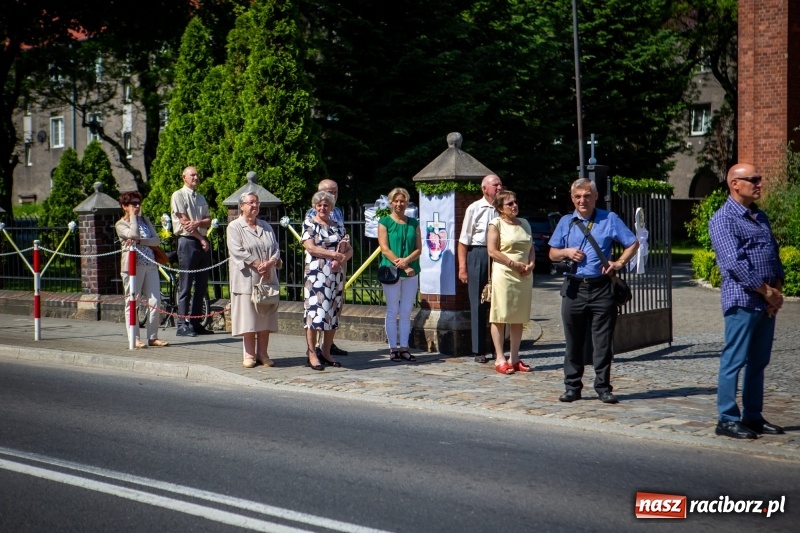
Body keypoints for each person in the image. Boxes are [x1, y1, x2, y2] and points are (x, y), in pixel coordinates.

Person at [708, 163, 785, 439]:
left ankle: (752, 416)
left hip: (766, 301)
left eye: (759, 179)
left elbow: (772, 255)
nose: (759, 183)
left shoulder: (759, 216)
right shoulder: (724, 218)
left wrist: (776, 288)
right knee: (735, 359)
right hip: (743, 300)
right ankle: (727, 418)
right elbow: (733, 264)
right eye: (752, 179)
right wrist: (766, 292)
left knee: (758, 362)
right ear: (735, 184)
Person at [548, 178, 638, 404]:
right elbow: (552, 254)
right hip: (573, 289)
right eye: (578, 197)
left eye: (587, 196)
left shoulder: (610, 219)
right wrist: (566, 252)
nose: (582, 200)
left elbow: (633, 243)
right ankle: (572, 387)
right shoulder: (566, 222)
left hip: (601, 288)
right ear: (572, 198)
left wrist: (618, 263)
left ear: (595, 196)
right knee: (573, 341)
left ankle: (603, 387)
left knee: (602, 342)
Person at [226, 193, 282, 368]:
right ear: (241, 206)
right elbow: (238, 251)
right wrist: (258, 264)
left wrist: (271, 262)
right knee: (248, 318)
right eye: (251, 203)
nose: (255, 205)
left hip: (267, 279)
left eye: (257, 202)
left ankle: (263, 354)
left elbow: (276, 248)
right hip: (246, 279)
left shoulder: (266, 226)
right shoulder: (234, 227)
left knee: (265, 317)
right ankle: (249, 355)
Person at [302, 190, 353, 370]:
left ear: (331, 207)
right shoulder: (310, 223)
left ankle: (326, 352)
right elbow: (311, 248)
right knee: (315, 315)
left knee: (332, 313)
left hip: (335, 275)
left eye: (326, 205)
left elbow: (349, 250)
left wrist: (342, 259)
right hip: (316, 275)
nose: (323, 207)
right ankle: (312, 354)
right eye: (319, 205)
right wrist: (333, 254)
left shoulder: (337, 225)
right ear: (315, 206)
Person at [486, 190, 535, 374]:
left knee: (519, 316)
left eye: (515, 202)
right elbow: (492, 251)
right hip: (505, 273)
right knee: (500, 315)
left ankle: (514, 357)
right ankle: (499, 358)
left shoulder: (525, 223)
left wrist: (531, 264)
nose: (514, 206)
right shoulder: (496, 224)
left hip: (524, 275)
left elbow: (530, 247)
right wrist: (513, 263)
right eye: (509, 204)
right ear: (500, 208)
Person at [458, 174, 504, 363]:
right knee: (478, 302)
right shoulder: (474, 208)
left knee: (499, 303)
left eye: (500, 184)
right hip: (479, 253)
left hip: (500, 256)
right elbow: (463, 240)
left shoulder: (504, 207)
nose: (499, 187)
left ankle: (498, 348)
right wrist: (463, 267)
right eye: (495, 185)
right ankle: (479, 349)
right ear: (484, 188)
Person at [115, 191, 169, 349]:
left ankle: (153, 337)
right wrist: (132, 218)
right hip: (132, 267)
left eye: (139, 203)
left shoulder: (145, 220)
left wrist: (140, 241)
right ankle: (135, 338)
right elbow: (132, 233)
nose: (137, 206)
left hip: (150, 264)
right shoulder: (120, 224)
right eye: (133, 204)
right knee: (133, 301)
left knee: (155, 301)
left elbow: (156, 240)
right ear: (125, 207)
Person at [378, 187, 422, 362]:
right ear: (390, 202)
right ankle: (393, 348)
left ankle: (404, 347)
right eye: (396, 201)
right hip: (391, 270)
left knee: (406, 311)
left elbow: (419, 248)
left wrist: (408, 261)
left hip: (412, 270)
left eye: (402, 201)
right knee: (392, 310)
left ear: (407, 203)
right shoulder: (385, 222)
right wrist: (403, 265)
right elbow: (385, 248)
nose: (399, 204)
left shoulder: (414, 223)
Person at [170, 166, 213, 337]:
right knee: (186, 285)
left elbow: (208, 220)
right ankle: (182, 324)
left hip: (202, 242)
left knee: (201, 285)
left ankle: (195, 322)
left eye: (197, 174)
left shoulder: (201, 197)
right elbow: (185, 223)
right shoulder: (178, 195)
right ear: (184, 178)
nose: (196, 177)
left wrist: (199, 224)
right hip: (188, 242)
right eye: (192, 175)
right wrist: (201, 237)